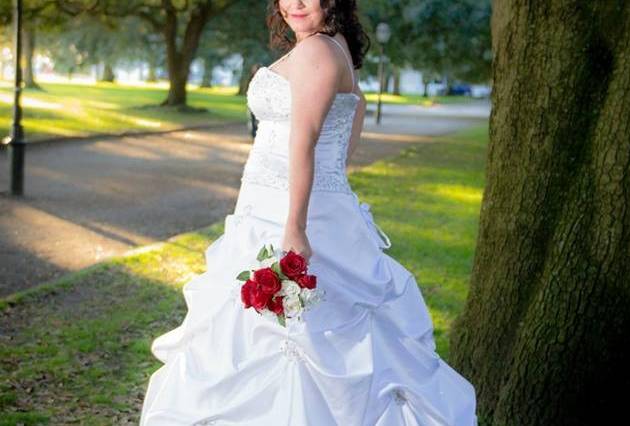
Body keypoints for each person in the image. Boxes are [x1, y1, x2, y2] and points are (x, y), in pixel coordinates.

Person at [139, 1, 477, 425]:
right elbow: (344, 138)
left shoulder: (318, 51)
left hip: (286, 216)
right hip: (282, 208)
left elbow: (305, 140)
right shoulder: (332, 50)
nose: (295, 3)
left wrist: (295, 226)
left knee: (287, 345)